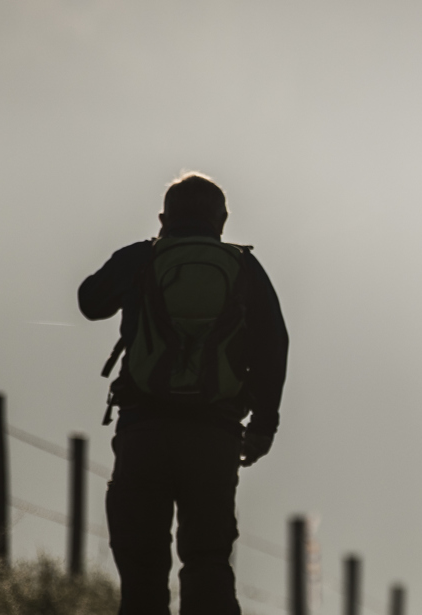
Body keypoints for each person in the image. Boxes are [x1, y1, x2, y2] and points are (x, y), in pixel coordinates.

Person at [79, 172, 290, 615]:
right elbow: (273, 346)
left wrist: (143, 258)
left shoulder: (142, 258)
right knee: (208, 561)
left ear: (164, 217)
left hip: (144, 429)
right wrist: (263, 427)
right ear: (223, 220)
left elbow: (90, 302)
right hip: (215, 435)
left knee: (142, 571)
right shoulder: (243, 267)